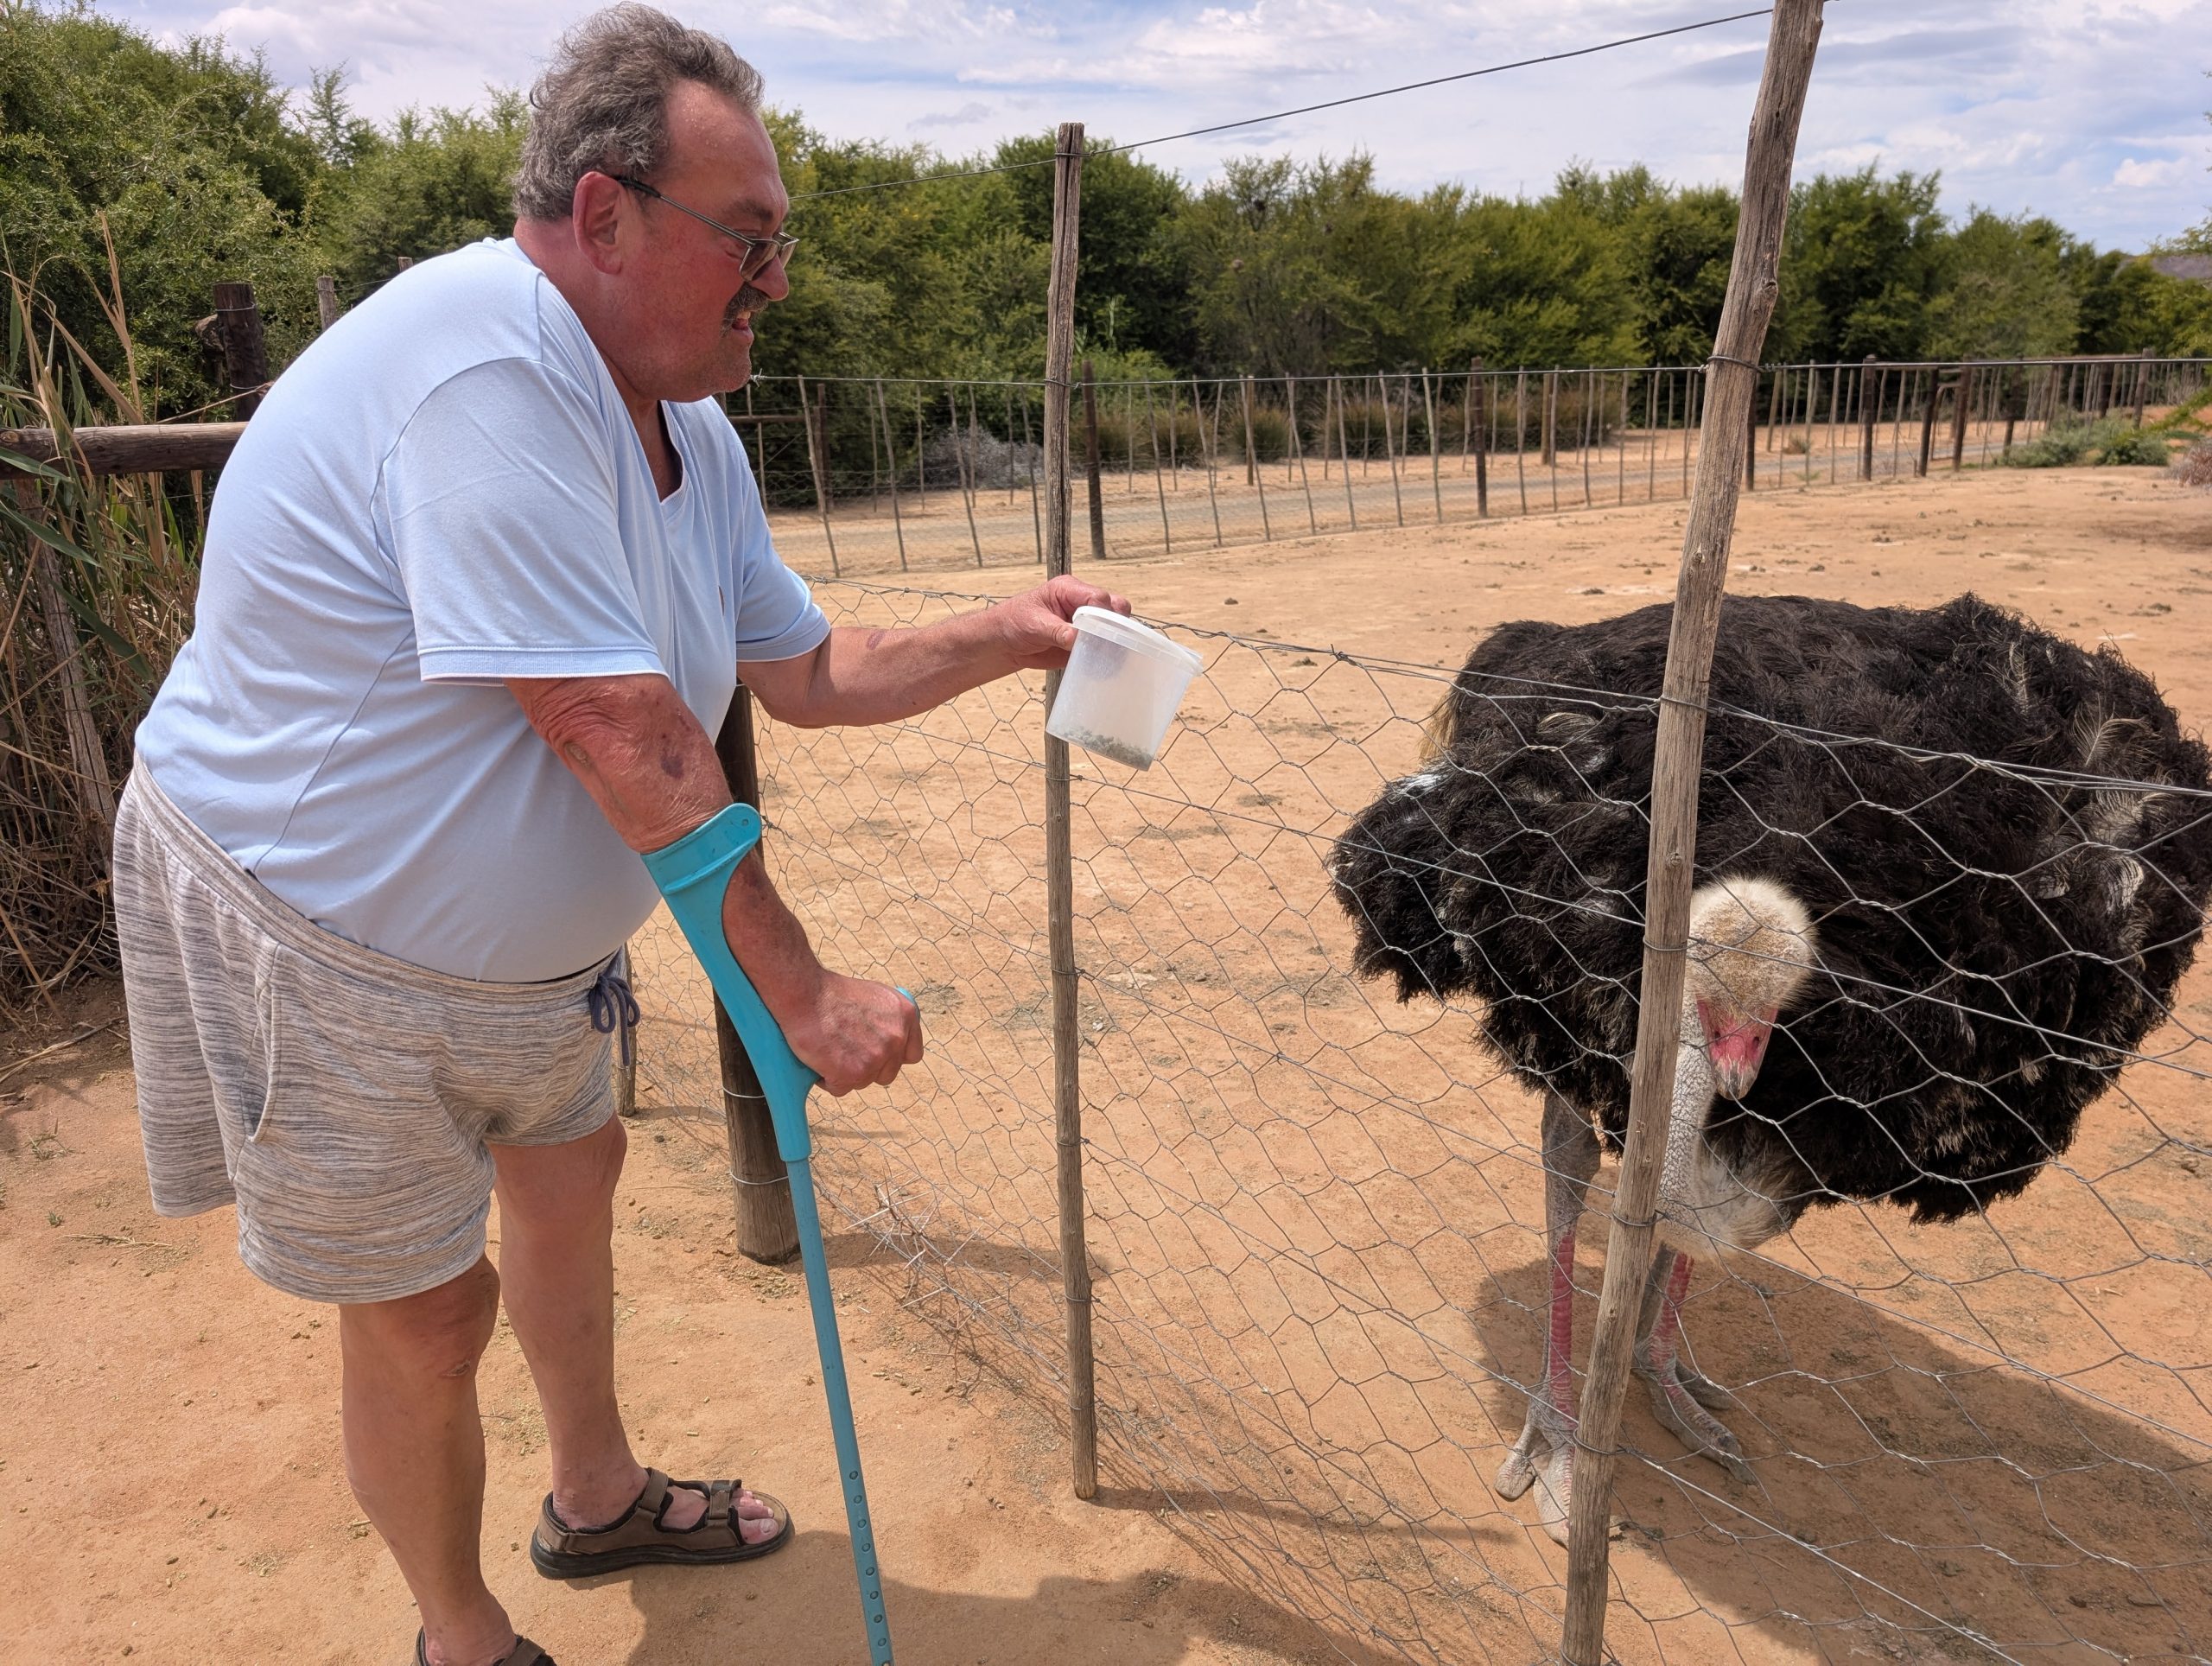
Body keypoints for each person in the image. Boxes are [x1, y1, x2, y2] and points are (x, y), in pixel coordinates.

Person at [111, 8, 1126, 1663]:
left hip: (524, 964)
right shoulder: (489, 371)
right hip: (316, 928)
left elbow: (805, 672)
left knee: (574, 1175)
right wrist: (799, 995)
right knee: (428, 1311)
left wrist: (1006, 635)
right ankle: (461, 1636)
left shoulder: (686, 423)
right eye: (752, 239)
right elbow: (614, 727)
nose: (776, 279)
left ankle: (595, 1496)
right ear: (605, 215)